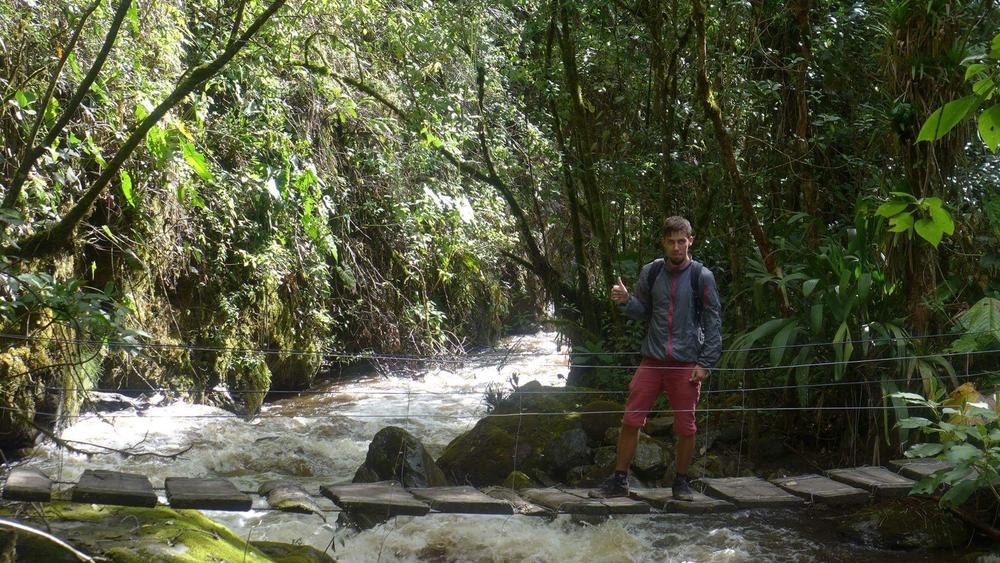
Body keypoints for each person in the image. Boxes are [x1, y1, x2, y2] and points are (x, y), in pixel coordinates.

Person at [592, 216, 722, 500]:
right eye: (671, 242)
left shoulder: (702, 276)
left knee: (686, 426)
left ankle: (681, 482)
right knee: (630, 419)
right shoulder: (651, 272)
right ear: (664, 243)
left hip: (686, 363)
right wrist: (627, 301)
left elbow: (714, 322)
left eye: (681, 241)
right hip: (652, 360)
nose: (677, 247)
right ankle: (619, 480)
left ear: (691, 241)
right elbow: (643, 311)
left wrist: (706, 363)